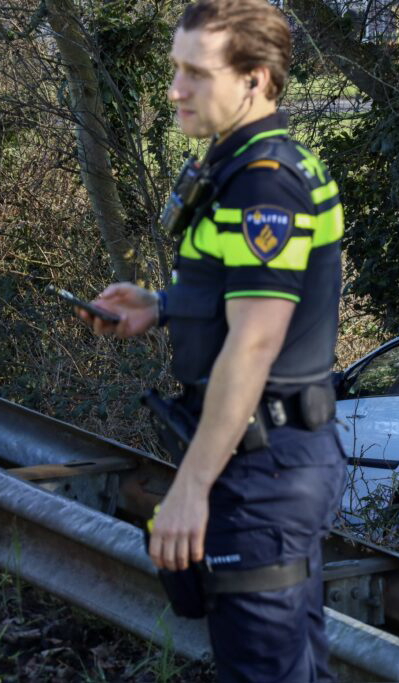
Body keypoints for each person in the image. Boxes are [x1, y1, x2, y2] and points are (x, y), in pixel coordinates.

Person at [79, 0, 346, 679]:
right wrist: (161, 307)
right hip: (267, 460)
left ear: (255, 78)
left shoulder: (267, 187)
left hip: (264, 472)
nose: (175, 90)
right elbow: (244, 299)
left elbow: (256, 343)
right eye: (176, 69)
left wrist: (191, 488)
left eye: (196, 73)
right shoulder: (242, 169)